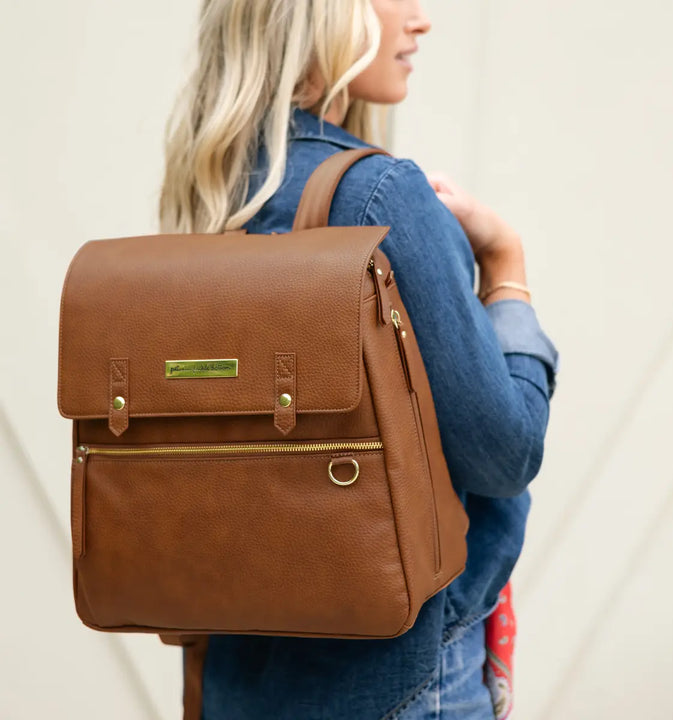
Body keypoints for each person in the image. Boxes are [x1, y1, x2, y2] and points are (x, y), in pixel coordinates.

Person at [158, 1, 560, 718]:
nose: (421, 18)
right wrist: (507, 265)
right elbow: (505, 453)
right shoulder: (380, 196)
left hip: (240, 679)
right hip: (402, 685)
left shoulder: (214, 191)